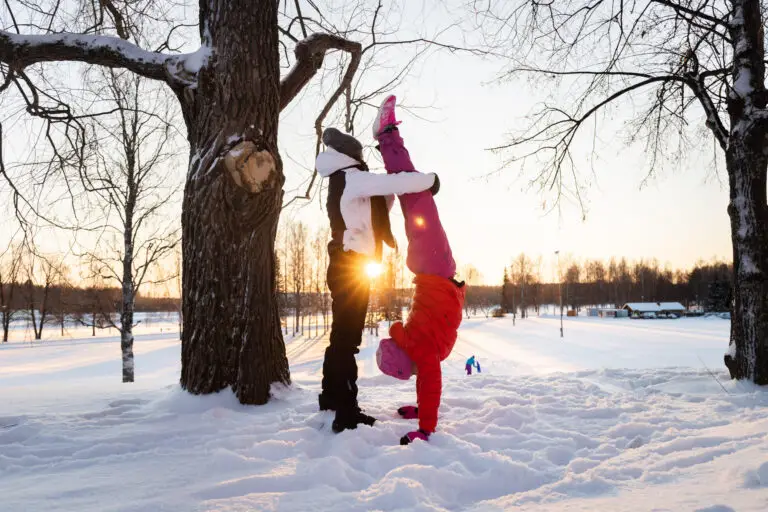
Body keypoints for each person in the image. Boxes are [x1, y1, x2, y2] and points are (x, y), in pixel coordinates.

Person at [315, 127, 439, 434]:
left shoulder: (341, 180)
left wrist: (391, 194)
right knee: (348, 340)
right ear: (349, 155)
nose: (361, 159)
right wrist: (429, 181)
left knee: (340, 336)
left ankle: (331, 398)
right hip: (351, 264)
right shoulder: (352, 177)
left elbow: (381, 203)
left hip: (345, 262)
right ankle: (346, 412)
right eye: (358, 154)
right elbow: (393, 182)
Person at [373, 95, 466, 445]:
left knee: (417, 197)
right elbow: (428, 384)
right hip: (432, 270)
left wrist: (425, 428)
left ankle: (387, 136)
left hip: (434, 269)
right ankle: (391, 146)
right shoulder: (419, 350)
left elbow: (430, 383)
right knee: (415, 199)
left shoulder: (421, 351)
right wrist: (419, 412)